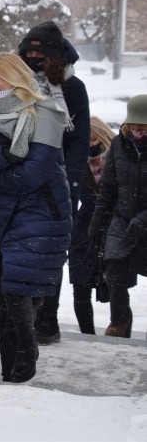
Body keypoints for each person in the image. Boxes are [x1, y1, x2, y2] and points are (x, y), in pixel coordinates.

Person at [0, 53, 70, 383]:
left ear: (17, 82)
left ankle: (26, 353)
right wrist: (2, 156)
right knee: (4, 291)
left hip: (40, 214)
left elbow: (35, 174)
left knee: (16, 289)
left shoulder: (46, 113)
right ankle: (11, 369)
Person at [18, 21, 90, 344]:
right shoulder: (18, 83)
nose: (34, 58)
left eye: (40, 53)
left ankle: (47, 320)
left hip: (57, 183)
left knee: (51, 251)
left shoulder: (73, 89)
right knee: (22, 250)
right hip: (22, 178)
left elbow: (80, 141)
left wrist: (68, 183)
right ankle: (21, 316)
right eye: (28, 52)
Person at [88, 95, 147, 338]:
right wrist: (96, 225)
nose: (137, 132)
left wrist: (142, 221)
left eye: (143, 128)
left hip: (144, 219)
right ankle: (119, 321)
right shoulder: (119, 146)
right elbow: (109, 190)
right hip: (122, 219)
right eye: (134, 126)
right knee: (113, 267)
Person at [67, 117, 117, 334]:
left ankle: (119, 336)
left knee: (118, 289)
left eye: (93, 135)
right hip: (84, 229)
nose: (89, 141)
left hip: (115, 228)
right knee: (80, 288)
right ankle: (88, 335)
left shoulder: (118, 156)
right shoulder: (75, 160)